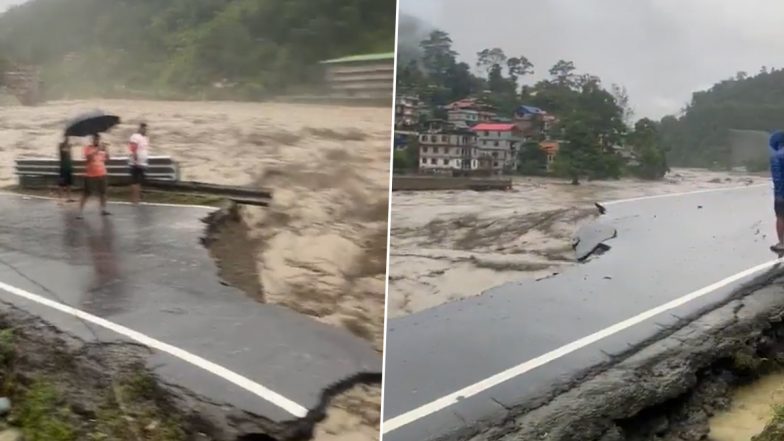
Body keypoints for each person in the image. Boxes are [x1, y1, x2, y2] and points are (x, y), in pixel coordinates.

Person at [78, 133, 110, 219]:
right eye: (95, 139)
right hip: (90, 175)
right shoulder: (88, 148)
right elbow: (89, 158)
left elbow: (107, 159)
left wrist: (107, 150)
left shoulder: (101, 149)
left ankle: (103, 209)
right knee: (86, 193)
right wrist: (97, 150)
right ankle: (80, 212)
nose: (97, 141)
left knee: (103, 192)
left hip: (102, 173)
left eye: (98, 139)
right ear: (92, 140)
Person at [128, 123, 149, 204]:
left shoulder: (146, 138)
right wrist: (135, 159)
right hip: (135, 163)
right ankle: (134, 199)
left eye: (145, 128)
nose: (144, 130)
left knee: (139, 181)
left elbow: (144, 149)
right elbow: (133, 148)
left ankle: (138, 198)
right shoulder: (135, 136)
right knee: (135, 181)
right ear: (140, 128)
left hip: (143, 163)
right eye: (143, 128)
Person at [770, 130, 784, 252]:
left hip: (782, 194)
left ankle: (782, 243)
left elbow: (777, 178)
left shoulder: (777, 156)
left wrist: (779, 194)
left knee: (780, 217)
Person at [57, 135, 74, 202]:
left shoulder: (69, 146)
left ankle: (69, 197)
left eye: (68, 138)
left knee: (69, 184)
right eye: (66, 138)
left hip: (69, 167)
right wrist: (68, 146)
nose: (67, 139)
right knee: (61, 184)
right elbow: (63, 151)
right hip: (63, 168)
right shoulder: (61, 145)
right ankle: (60, 198)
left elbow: (70, 156)